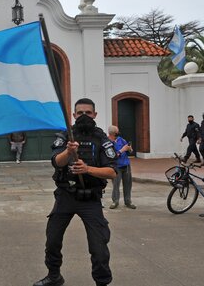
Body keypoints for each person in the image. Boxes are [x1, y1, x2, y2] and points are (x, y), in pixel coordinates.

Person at [33, 98, 117, 286]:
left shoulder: (102, 139)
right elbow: (56, 161)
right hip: (66, 196)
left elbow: (112, 172)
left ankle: (102, 282)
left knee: (99, 246)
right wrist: (69, 153)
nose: (84, 116)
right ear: (73, 115)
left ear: (95, 115)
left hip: (90, 199)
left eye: (88, 112)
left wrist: (88, 169)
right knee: (52, 239)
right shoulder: (66, 136)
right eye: (80, 113)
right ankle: (54, 276)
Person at [107, 125, 136, 210]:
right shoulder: (108, 142)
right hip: (116, 166)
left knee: (128, 184)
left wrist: (130, 149)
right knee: (116, 185)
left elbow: (129, 151)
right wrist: (122, 150)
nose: (118, 134)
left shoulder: (121, 140)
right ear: (112, 133)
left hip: (126, 165)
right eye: (116, 133)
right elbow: (112, 156)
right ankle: (115, 201)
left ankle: (128, 201)